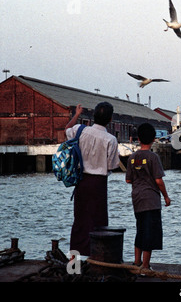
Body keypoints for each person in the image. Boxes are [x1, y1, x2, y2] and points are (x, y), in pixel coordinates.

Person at [65, 102, 120, 256]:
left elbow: (66, 130)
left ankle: (74, 263)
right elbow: (112, 165)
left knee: (79, 222)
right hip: (98, 184)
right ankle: (96, 258)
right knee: (98, 222)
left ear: (93, 117)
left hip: (81, 180)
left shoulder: (79, 130)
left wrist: (76, 114)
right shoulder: (110, 139)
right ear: (110, 119)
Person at [126, 123, 171, 270]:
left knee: (140, 229)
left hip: (137, 199)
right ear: (153, 139)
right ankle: (145, 266)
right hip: (151, 200)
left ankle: (137, 261)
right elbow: (159, 180)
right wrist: (166, 197)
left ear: (138, 139)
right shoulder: (153, 157)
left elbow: (128, 180)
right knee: (149, 233)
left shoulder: (132, 158)